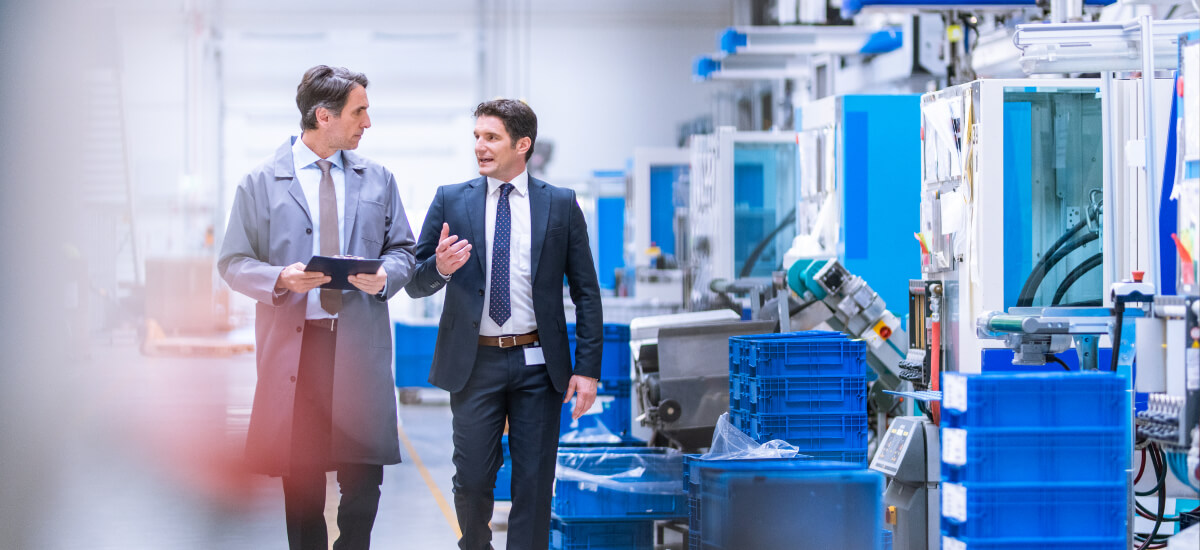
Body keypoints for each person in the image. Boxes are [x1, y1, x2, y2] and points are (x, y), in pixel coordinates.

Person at [218, 65, 416, 550]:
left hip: (358, 349)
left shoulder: (379, 179)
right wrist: (278, 278)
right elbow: (233, 261)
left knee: (363, 479)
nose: (367, 122)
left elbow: (404, 250)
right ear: (323, 116)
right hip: (297, 353)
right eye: (359, 111)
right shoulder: (262, 181)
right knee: (302, 481)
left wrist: (387, 274)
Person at [405, 99, 603, 549]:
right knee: (473, 478)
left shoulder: (561, 205)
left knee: (533, 483)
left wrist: (587, 369)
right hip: (474, 364)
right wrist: (440, 267)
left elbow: (586, 293)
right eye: (476, 137)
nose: (480, 146)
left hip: (539, 366)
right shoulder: (451, 200)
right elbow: (415, 282)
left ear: (523, 144)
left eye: (491, 137)